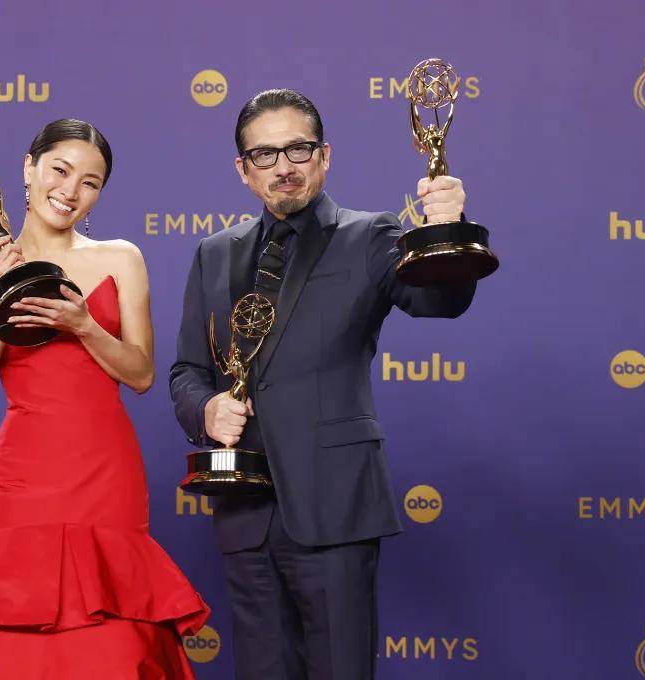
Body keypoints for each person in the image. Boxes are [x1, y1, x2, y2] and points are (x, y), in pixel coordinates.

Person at [169, 90, 478, 679]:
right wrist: (205, 410)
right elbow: (187, 371)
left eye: (298, 149)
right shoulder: (213, 253)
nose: (283, 166)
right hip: (245, 511)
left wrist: (446, 228)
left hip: (335, 504)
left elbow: (440, 300)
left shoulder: (371, 236)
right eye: (264, 155)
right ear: (243, 169)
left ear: (324, 156)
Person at [0, 119, 208, 678]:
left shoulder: (121, 258)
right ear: (28, 169)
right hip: (26, 469)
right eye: (60, 170)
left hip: (105, 468)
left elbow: (142, 374)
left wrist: (83, 324)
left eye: (90, 183)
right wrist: (7, 298)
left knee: (111, 637)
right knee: (13, 633)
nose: (71, 191)